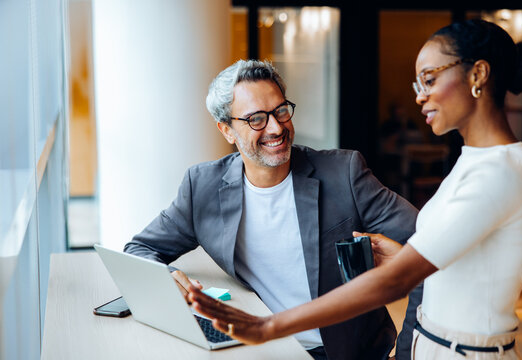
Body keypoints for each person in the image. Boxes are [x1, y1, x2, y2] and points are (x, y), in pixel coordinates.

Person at [190, 19, 522, 359]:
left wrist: (268, 326)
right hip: (435, 344)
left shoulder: (500, 172)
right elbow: (466, 266)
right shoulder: (475, 163)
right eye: (418, 84)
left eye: (429, 80)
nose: (420, 97)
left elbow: (395, 283)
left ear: (477, 74)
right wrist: (406, 257)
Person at [124, 59, 421, 360]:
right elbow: (139, 249)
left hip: (345, 353)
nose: (276, 127)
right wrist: (169, 277)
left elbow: (430, 245)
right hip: (262, 347)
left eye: (280, 110)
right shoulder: (203, 187)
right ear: (227, 129)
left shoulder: (343, 173)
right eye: (256, 119)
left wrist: (409, 352)